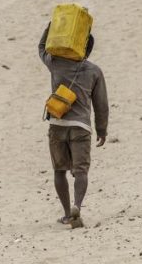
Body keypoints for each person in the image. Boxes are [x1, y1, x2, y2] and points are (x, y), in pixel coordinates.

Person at [39, 24, 109, 228]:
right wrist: (102, 130)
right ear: (89, 49)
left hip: (57, 124)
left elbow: (41, 47)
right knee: (81, 171)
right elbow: (101, 105)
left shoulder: (56, 64)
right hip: (81, 127)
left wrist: (51, 28)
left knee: (59, 170)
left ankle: (67, 212)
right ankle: (77, 206)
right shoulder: (94, 71)